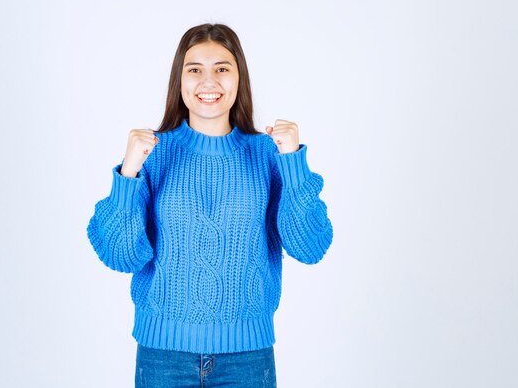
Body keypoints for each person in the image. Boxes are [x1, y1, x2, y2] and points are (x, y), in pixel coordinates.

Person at [86, 23, 333, 387]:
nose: (208, 81)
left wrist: (293, 161)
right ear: (180, 81)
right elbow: (120, 255)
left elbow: (310, 246)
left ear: (238, 78)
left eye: (222, 68)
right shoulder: (153, 153)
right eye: (195, 69)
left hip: (247, 360)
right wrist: (128, 172)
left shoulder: (267, 154)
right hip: (163, 357)